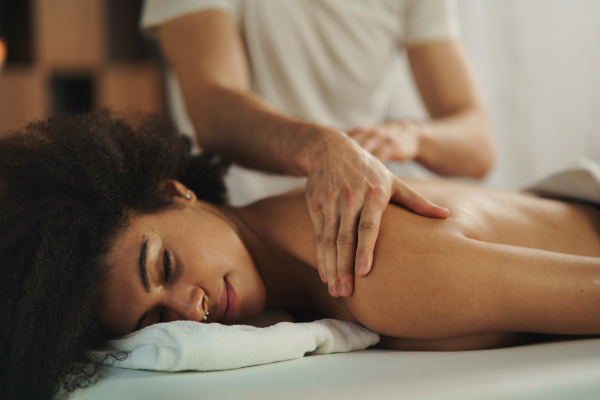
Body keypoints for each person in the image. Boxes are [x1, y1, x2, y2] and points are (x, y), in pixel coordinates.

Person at [0, 112, 596, 400]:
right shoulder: (283, 244)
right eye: (156, 321)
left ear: (173, 192)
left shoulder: (372, 268)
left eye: (164, 268)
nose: (192, 310)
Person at [140, 0, 494, 297]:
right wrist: (320, 148)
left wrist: (411, 135)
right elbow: (213, 109)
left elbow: (477, 145)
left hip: (353, 227)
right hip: (230, 239)